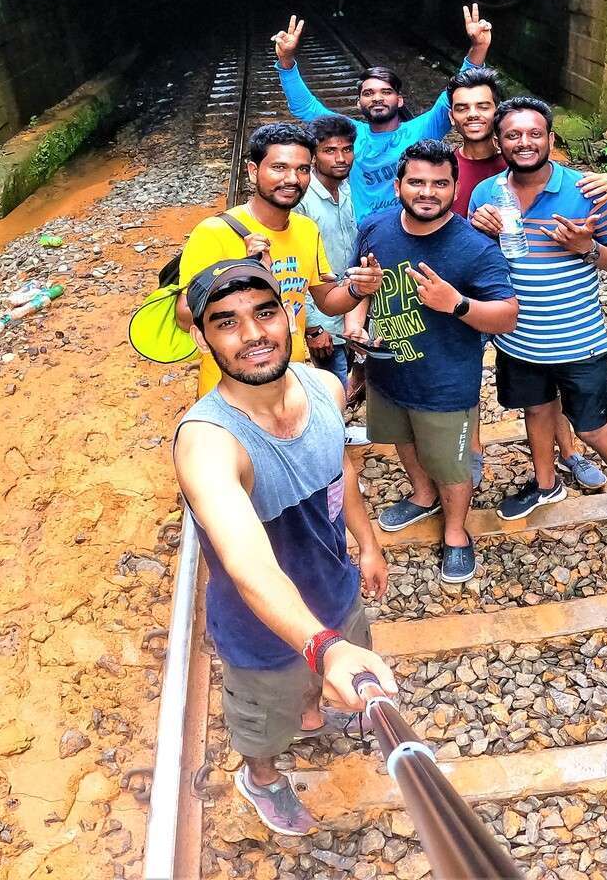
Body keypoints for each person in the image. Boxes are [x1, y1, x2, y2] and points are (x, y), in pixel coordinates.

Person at [172, 258, 395, 837]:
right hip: (260, 631)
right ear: (201, 337)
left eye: (264, 312)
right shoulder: (207, 442)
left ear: (289, 314)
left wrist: (367, 545)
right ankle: (262, 777)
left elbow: (338, 468)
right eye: (226, 322)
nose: (252, 335)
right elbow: (248, 567)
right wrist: (321, 647)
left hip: (335, 594)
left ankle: (313, 703)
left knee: (320, 686)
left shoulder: (325, 388)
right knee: (263, 728)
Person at [468, 97, 607, 544]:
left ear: (551, 139)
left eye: (535, 134)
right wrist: (479, 231)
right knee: (535, 409)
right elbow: (480, 261)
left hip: (577, 340)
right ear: (499, 142)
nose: (524, 143)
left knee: (590, 425)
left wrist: (586, 249)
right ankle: (546, 484)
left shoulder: (587, 191)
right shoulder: (486, 193)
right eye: (513, 135)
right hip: (517, 340)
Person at [445, 67, 607, 492]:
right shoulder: (451, 167)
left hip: (562, 326)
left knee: (567, 404)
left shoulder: (575, 184)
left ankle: (575, 455)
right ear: (451, 116)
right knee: (514, 393)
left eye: (483, 106)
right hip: (491, 306)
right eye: (463, 107)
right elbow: (448, 230)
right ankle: (475, 456)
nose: (473, 114)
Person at [355, 141, 518, 582]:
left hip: (445, 383)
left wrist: (457, 304)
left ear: (454, 186)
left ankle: (455, 532)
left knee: (452, 464)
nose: (428, 191)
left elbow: (507, 315)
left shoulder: (475, 248)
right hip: (387, 370)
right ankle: (422, 495)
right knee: (402, 441)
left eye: (440, 183)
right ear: (399, 184)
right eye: (418, 182)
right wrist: (356, 323)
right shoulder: (374, 227)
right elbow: (363, 286)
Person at [177, 122, 377, 396]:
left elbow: (328, 301)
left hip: (288, 376)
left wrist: (357, 289)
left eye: (302, 169)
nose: (292, 179)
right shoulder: (215, 232)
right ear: (253, 171)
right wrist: (249, 274)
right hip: (232, 388)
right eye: (279, 168)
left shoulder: (306, 229)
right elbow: (184, 315)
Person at [272, 5, 493, 218]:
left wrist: (478, 48)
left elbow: (454, 94)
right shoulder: (350, 135)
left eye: (386, 92)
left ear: (399, 100)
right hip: (364, 233)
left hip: (410, 230)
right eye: (368, 93)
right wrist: (286, 60)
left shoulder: (421, 130)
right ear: (359, 103)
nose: (377, 98)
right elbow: (306, 108)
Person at [295, 114, 365, 398]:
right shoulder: (302, 201)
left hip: (351, 304)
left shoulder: (347, 189)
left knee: (345, 376)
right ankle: (334, 439)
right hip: (322, 315)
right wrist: (313, 327)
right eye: (329, 150)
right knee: (329, 388)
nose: (341, 158)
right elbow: (296, 268)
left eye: (346, 149)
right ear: (313, 156)